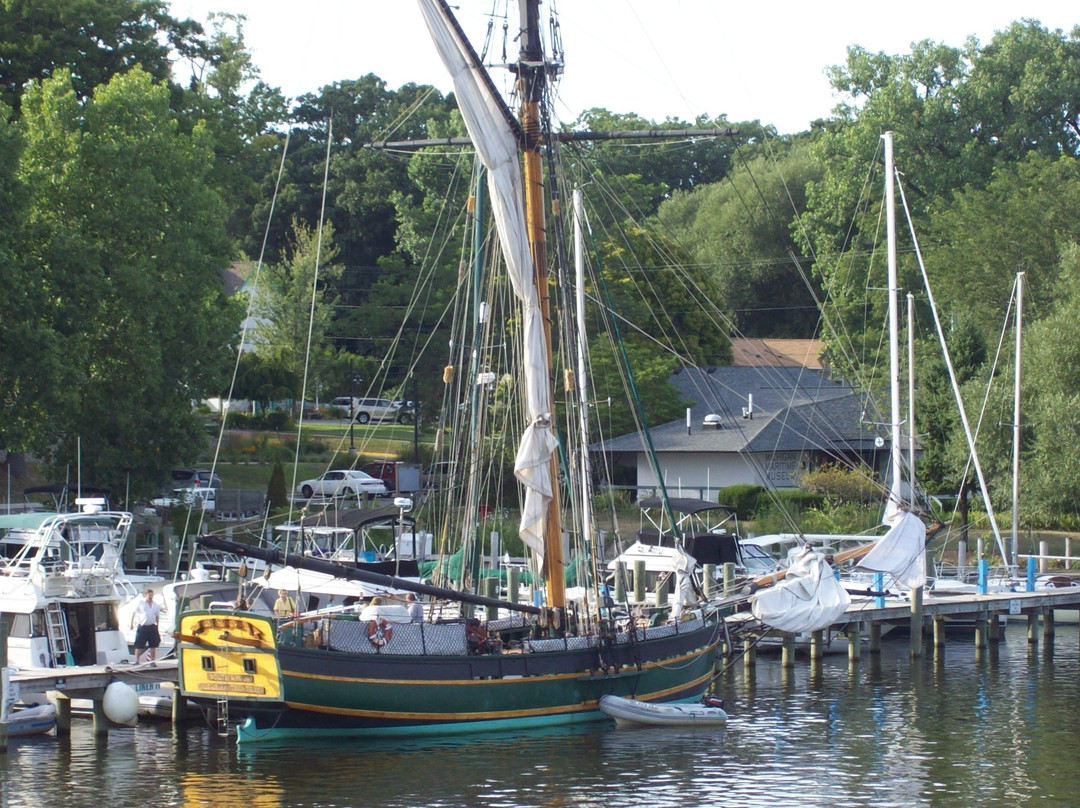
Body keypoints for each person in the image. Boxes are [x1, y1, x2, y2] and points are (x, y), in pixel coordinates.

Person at [131, 588, 162, 665]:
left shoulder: (155, 604)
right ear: (146, 595)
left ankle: (152, 661)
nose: (151, 596)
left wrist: (157, 626)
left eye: (152, 595)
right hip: (143, 626)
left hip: (152, 626)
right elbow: (133, 613)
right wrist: (131, 624)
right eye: (149, 595)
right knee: (139, 645)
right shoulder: (141, 603)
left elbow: (157, 616)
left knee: (153, 645)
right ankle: (137, 661)